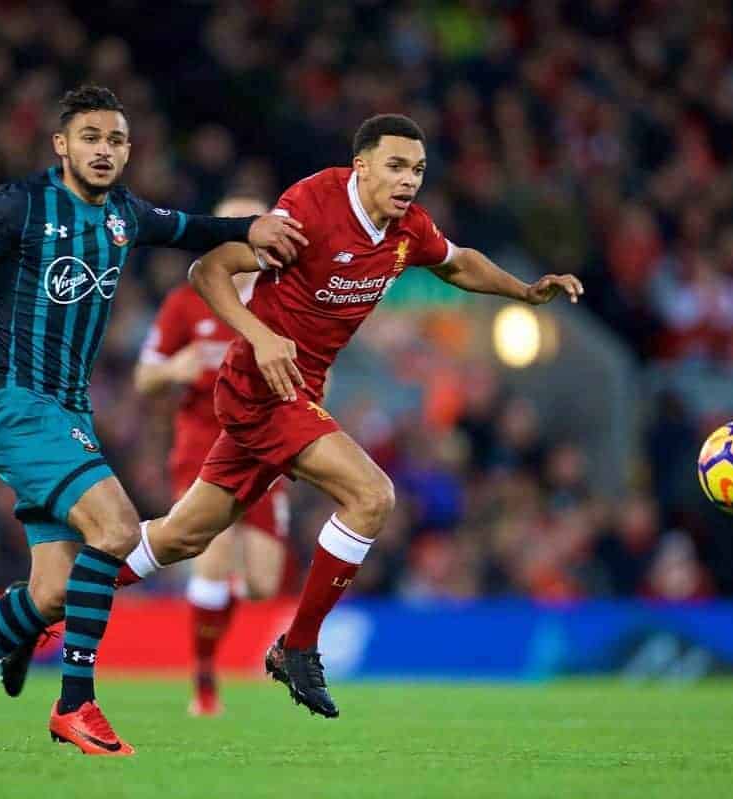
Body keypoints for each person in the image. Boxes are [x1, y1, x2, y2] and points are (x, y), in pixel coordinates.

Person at [0, 85, 306, 755]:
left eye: (116, 141)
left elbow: (191, 228)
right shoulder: (20, 204)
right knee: (117, 527)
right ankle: (76, 703)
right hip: (17, 403)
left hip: (68, 411)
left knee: (50, 594)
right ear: (62, 144)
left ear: (128, 151)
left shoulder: (125, 216)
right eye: (92, 137)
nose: (104, 150)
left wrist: (250, 230)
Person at [119, 113, 584, 718]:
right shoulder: (307, 210)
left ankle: (49, 602)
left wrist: (523, 291)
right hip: (260, 388)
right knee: (371, 496)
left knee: (182, 535)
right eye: (395, 166)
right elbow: (206, 271)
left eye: (417, 169)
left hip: (298, 390)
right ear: (360, 166)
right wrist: (259, 336)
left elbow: (457, 261)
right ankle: (298, 648)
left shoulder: (407, 228)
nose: (409, 180)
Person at [130, 194, 291, 717]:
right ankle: (203, 681)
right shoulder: (188, 301)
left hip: (266, 450)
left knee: (265, 584)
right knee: (215, 557)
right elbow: (144, 376)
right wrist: (174, 369)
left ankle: (212, 613)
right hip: (203, 446)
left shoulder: (284, 295)